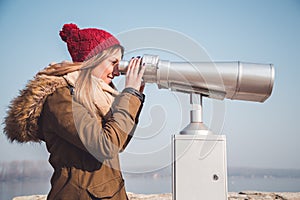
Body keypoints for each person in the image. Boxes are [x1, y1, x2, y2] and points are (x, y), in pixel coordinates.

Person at [3, 23, 145, 199]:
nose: (118, 71)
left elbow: (118, 143)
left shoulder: (99, 98)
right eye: (113, 62)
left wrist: (135, 97)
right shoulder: (61, 98)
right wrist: (130, 95)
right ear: (93, 60)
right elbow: (106, 146)